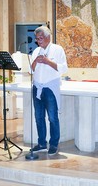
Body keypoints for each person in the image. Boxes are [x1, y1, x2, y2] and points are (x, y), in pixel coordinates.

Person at [30, 26, 68, 155]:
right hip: (37, 87)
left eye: (40, 38)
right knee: (39, 117)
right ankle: (41, 143)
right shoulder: (36, 51)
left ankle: (53, 144)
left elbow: (63, 68)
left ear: (48, 37)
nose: (38, 41)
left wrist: (47, 61)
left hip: (50, 88)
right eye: (37, 39)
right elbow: (31, 70)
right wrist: (35, 60)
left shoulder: (58, 49)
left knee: (52, 117)